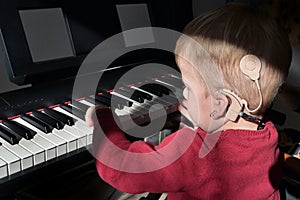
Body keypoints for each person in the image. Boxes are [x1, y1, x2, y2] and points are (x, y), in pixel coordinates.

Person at [85, 2, 292, 199]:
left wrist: (102, 119)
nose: (183, 93)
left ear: (220, 105)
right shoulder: (268, 135)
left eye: (188, 88)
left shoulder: (196, 152)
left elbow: (120, 168)